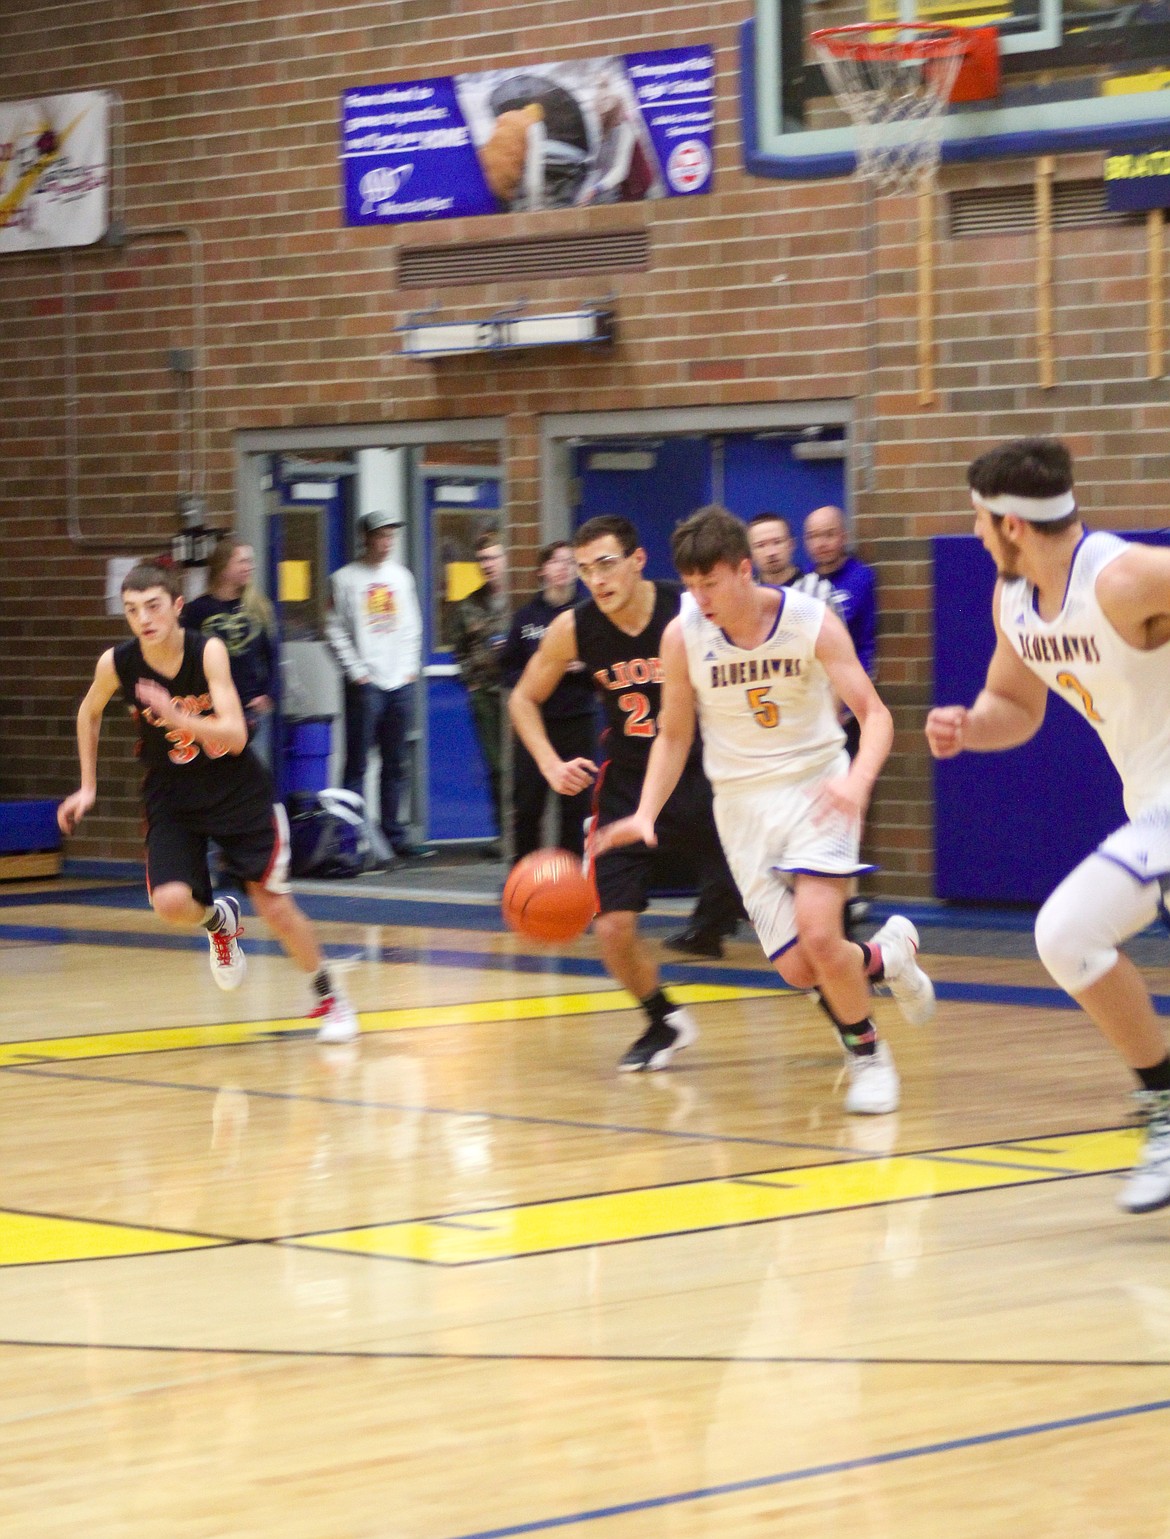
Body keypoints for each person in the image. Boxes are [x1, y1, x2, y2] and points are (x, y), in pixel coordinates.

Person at [597, 505, 934, 1113]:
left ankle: (869, 1057)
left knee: (821, 937)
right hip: (742, 806)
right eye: (691, 585)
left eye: (711, 583)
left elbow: (875, 713)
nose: (699, 598)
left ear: (744, 570)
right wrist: (647, 811)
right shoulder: (682, 636)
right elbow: (673, 735)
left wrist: (858, 782)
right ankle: (890, 957)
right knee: (801, 970)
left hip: (817, 788)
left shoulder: (811, 621)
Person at [926, 436, 1170, 1212]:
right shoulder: (1015, 600)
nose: (971, 533)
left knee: (1065, 931)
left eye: (976, 517)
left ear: (1011, 524)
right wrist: (968, 725)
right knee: (1069, 937)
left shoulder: (1123, 575)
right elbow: (1017, 709)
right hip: (1152, 801)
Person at [57, 560, 358, 1043]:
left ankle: (330, 998)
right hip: (172, 795)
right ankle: (220, 921)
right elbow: (88, 712)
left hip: (236, 790)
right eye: (132, 610)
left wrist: (177, 715)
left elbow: (237, 735)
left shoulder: (208, 651)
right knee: (172, 903)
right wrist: (87, 785)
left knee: (276, 907)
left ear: (177, 607)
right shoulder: (118, 662)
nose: (144, 619)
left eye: (153, 606)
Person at [509, 514, 745, 1072]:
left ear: (638, 561)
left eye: (607, 564)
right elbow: (523, 699)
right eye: (586, 569)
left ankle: (844, 1007)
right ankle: (662, 1020)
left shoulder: (687, 609)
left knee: (788, 930)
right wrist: (549, 762)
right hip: (629, 785)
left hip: (711, 776)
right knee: (611, 927)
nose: (597, 579)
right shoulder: (575, 627)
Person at [325, 510, 425, 862]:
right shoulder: (344, 579)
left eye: (390, 536)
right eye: (380, 536)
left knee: (396, 762)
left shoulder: (401, 577)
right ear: (365, 538)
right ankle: (350, 840)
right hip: (365, 683)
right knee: (357, 764)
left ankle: (393, 836)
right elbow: (333, 629)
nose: (386, 543)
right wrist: (356, 672)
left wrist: (410, 670)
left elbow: (413, 627)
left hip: (400, 681)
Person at [501, 540, 595, 860]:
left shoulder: (588, 614)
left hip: (577, 718)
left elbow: (608, 668)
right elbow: (507, 670)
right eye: (557, 562)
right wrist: (537, 672)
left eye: (571, 562)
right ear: (542, 570)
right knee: (527, 806)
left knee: (576, 808)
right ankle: (523, 880)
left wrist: (584, 666)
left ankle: (573, 883)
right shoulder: (527, 618)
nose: (564, 568)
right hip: (536, 720)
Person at [182, 537, 277, 764]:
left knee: (254, 772)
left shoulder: (258, 607)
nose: (249, 567)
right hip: (211, 709)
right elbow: (186, 659)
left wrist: (269, 693)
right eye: (242, 562)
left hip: (249, 707)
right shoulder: (197, 611)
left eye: (250, 561)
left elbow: (272, 656)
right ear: (223, 567)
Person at [796, 505, 878, 757]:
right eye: (813, 536)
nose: (821, 543)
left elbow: (866, 643)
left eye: (829, 534)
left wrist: (849, 702)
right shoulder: (802, 581)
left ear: (844, 535)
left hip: (849, 702)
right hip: (809, 701)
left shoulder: (861, 578)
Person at [451, 532, 510, 840]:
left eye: (493, 557)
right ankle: (504, 835)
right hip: (486, 695)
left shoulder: (520, 599)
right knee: (497, 767)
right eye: (483, 559)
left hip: (519, 694)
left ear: (505, 559)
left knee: (523, 766)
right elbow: (459, 649)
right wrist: (470, 682)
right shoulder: (469, 605)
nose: (488, 564)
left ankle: (525, 831)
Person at [747, 513, 805, 589]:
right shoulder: (744, 594)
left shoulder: (819, 589)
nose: (771, 553)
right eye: (761, 545)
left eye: (778, 542)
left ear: (791, 544)